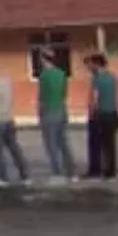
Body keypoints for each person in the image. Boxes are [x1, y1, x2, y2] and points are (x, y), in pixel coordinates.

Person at [0, 63, 30, 188]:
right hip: (9, 119)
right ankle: (25, 175)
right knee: (14, 148)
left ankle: (3, 178)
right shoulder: (6, 82)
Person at [36, 48, 77, 184]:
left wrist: (40, 115)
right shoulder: (62, 74)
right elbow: (64, 94)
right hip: (61, 110)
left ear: (43, 59)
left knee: (51, 144)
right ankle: (71, 173)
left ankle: (57, 174)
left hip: (49, 112)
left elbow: (42, 98)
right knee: (63, 143)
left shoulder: (44, 76)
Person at [83, 53, 118, 181]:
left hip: (100, 114)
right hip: (112, 113)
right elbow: (117, 95)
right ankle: (111, 170)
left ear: (96, 64)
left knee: (95, 144)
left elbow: (95, 97)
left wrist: (91, 113)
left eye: (90, 64)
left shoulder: (97, 79)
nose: (88, 67)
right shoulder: (112, 77)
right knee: (110, 144)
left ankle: (95, 170)